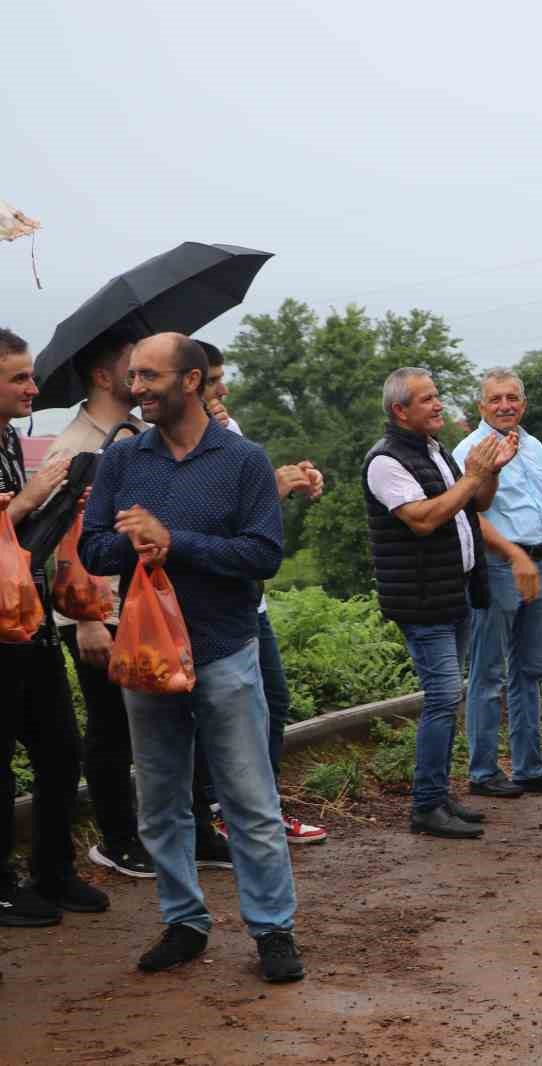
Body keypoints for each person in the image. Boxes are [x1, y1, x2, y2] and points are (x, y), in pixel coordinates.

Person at [79, 332, 303, 982]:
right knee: (162, 798)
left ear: (190, 381)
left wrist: (174, 541)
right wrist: (133, 545)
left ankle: (272, 931)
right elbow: (93, 550)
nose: (136, 388)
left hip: (225, 654)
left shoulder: (243, 461)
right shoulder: (121, 461)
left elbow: (263, 555)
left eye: (149, 376)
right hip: (147, 657)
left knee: (249, 799)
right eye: (133, 377)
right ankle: (184, 921)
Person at [362, 366, 517, 839]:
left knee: (449, 699)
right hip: (422, 598)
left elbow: (477, 504)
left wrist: (488, 473)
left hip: (457, 590)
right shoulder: (385, 461)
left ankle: (440, 795)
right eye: (427, 399)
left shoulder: (432, 450)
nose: (438, 405)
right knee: (444, 696)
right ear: (400, 411)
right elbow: (425, 520)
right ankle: (426, 804)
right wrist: (472, 477)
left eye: (437, 397)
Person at [0, 327, 109, 928]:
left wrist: (63, 499)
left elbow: (21, 534)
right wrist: (25, 500)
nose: (32, 388)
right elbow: (8, 518)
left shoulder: (13, 437)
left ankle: (53, 869)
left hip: (30, 616)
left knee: (60, 750)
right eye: (18, 377)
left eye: (30, 375)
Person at [200, 341, 328, 845]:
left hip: (251, 598)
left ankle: (262, 811)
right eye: (213, 380)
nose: (223, 389)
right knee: (219, 712)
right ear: (188, 382)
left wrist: (292, 481)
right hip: (213, 603)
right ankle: (221, 815)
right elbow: (216, 518)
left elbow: (253, 509)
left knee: (272, 701)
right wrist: (275, 486)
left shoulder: (229, 431)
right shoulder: (164, 444)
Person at [38, 328, 154, 879]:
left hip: (132, 604)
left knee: (142, 721)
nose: (141, 376)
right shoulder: (77, 446)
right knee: (111, 725)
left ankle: (145, 830)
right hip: (94, 610)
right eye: (132, 366)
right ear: (103, 377)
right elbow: (64, 538)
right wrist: (84, 619)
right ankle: (117, 838)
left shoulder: (135, 434)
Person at [452, 369, 542, 800]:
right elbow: (470, 515)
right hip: (498, 566)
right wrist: (515, 555)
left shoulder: (536, 446)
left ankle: (529, 766)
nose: (504, 406)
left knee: (531, 670)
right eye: (495, 399)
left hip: (538, 564)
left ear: (523, 404)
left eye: (512, 398)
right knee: (488, 671)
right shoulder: (470, 450)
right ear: (481, 407)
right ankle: (484, 771)